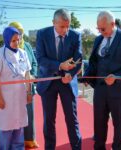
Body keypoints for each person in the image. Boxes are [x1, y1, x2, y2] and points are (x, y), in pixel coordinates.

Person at [83, 11, 121, 149]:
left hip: (120, 91)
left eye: (103, 29)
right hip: (100, 90)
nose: (100, 32)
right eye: (98, 29)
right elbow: (94, 62)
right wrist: (87, 76)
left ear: (113, 24)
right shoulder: (98, 39)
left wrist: (117, 76)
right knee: (99, 123)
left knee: (118, 125)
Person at [36, 8, 82, 150]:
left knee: (71, 119)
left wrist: (70, 74)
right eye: (62, 26)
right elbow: (40, 59)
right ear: (53, 23)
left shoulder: (75, 36)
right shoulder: (42, 34)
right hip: (48, 82)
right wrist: (59, 66)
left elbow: (78, 59)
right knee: (49, 120)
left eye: (67, 26)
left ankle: (76, 147)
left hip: (67, 82)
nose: (65, 30)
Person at [0, 26, 31, 150]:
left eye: (18, 40)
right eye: (13, 40)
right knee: (6, 130)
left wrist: (29, 92)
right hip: (6, 99)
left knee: (19, 129)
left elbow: (27, 74)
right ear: (7, 39)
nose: (16, 43)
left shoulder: (23, 54)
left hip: (20, 98)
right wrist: (0, 98)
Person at [9, 21, 39, 148]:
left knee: (29, 114)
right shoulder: (5, 49)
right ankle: (13, 141)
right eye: (16, 32)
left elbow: (34, 63)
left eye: (20, 32)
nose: (19, 35)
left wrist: (33, 75)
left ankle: (29, 140)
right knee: (14, 115)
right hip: (12, 89)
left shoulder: (27, 45)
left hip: (28, 87)